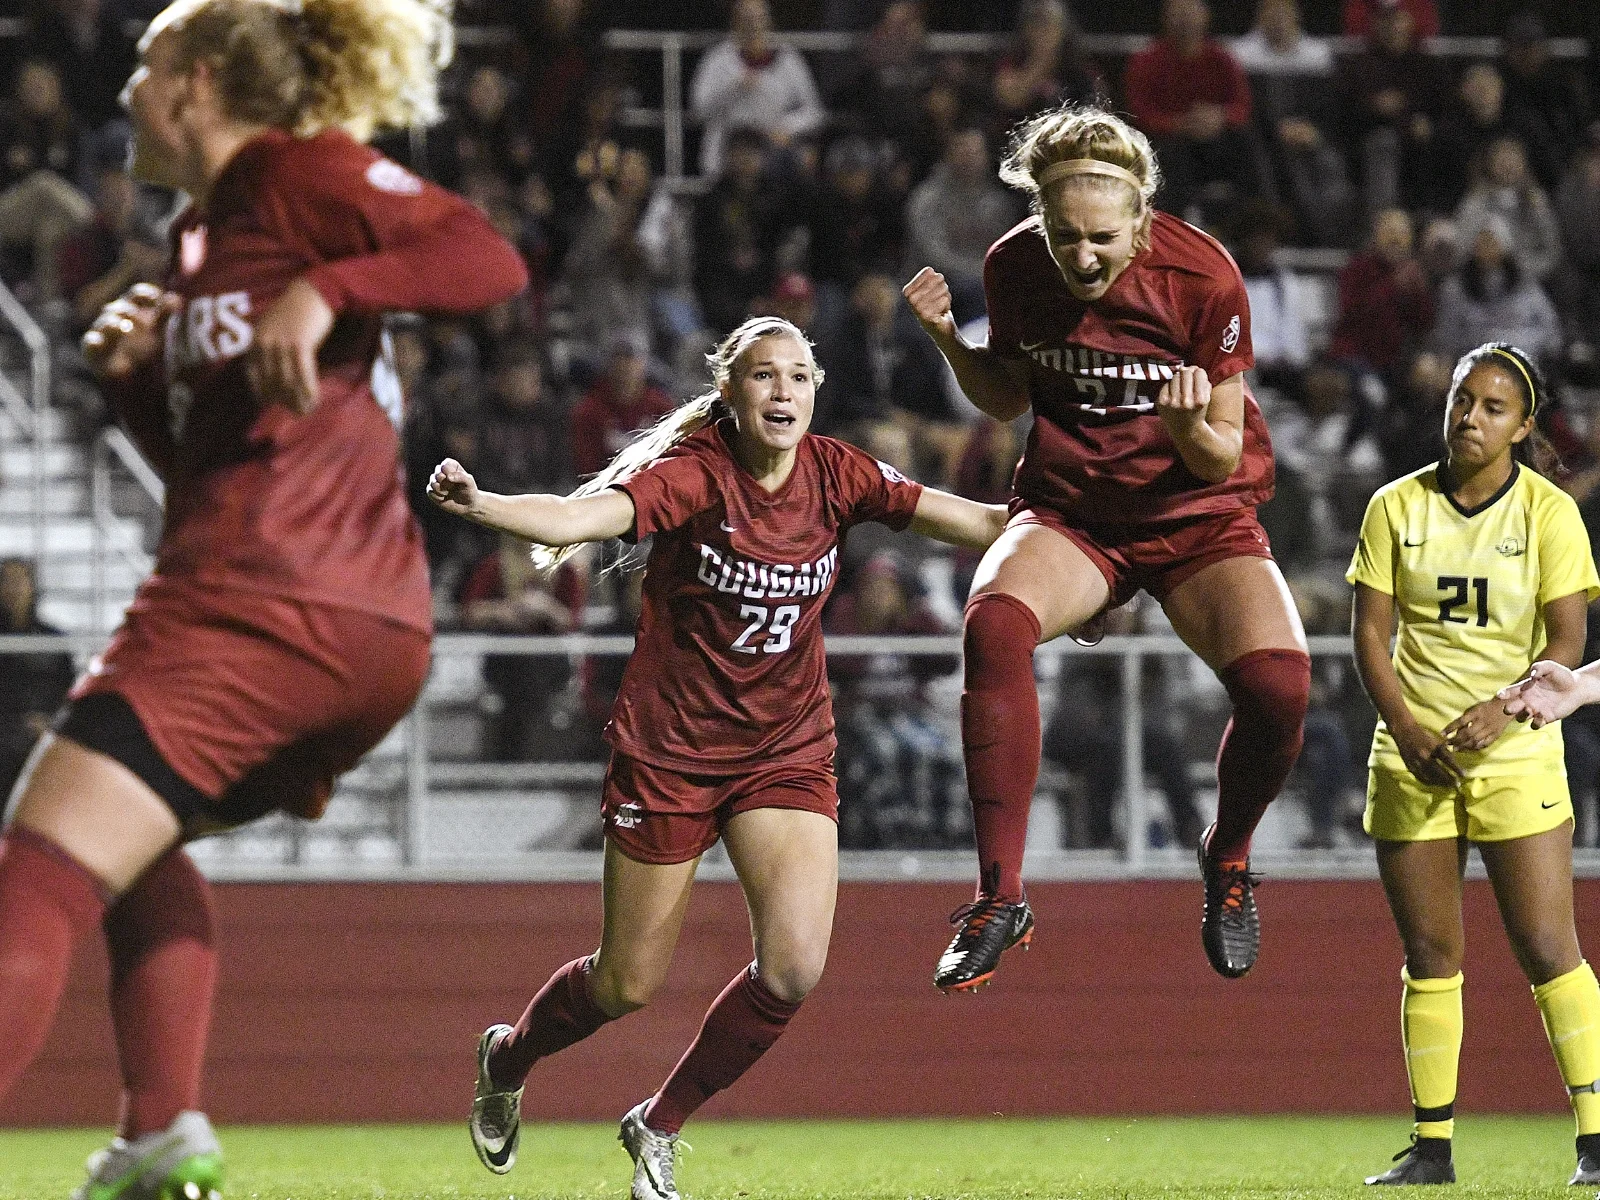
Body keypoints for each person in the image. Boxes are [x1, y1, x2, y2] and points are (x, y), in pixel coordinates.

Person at [0, 3, 527, 1197]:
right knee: (131, 847)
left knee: (35, 871)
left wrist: (332, 287)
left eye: (141, 69)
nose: (123, 94)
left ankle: (161, 1131)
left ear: (191, 83)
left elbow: (484, 258)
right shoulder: (198, 241)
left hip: (268, 603)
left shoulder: (298, 173)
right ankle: (163, 1137)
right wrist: (137, 386)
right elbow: (217, 464)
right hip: (346, 623)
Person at [428, 315, 1005, 1200]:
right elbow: (583, 515)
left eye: (800, 377)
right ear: (729, 393)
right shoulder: (696, 475)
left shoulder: (838, 472)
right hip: (672, 755)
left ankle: (658, 1122)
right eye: (765, 377)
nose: (784, 391)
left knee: (795, 968)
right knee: (625, 986)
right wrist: (484, 504)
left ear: (816, 391)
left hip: (784, 749)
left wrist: (1066, 550)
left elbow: (965, 517)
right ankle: (509, 1057)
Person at [903, 102, 1310, 990]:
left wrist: (1186, 423)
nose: (1081, 256)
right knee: (994, 625)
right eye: (1064, 237)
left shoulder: (1203, 276)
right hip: (1075, 511)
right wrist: (947, 342)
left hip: (1194, 511)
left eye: (1100, 239)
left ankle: (1228, 856)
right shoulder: (1013, 264)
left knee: (1281, 686)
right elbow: (1009, 400)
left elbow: (1221, 453)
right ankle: (1000, 897)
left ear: (1142, 221)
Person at [1348, 343, 1600, 1187]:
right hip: (1412, 753)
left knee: (1546, 944)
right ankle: (1432, 1148)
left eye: (1494, 407)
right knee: (1430, 952)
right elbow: (1370, 637)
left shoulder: (1548, 513)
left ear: (1523, 427)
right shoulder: (1394, 506)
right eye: (1463, 399)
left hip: (1518, 749)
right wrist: (1408, 730)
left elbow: (1568, 642)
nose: (1470, 416)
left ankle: (1596, 1139)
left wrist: (1510, 706)